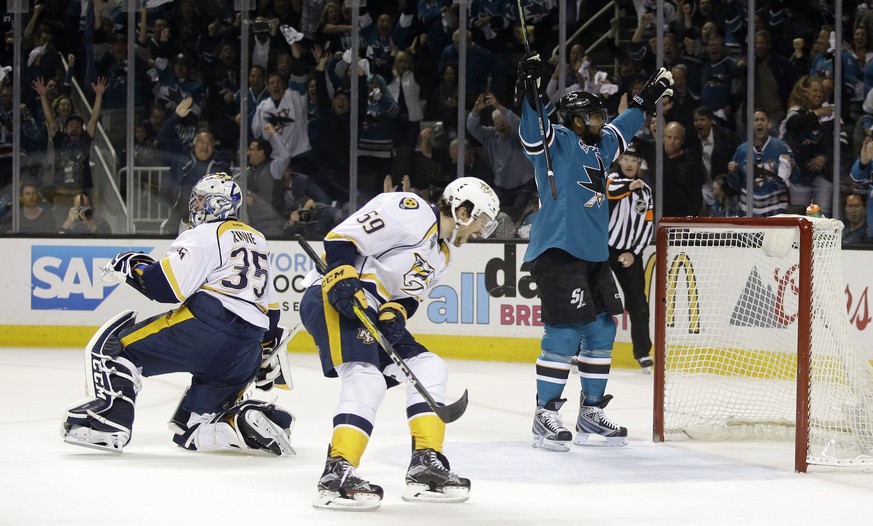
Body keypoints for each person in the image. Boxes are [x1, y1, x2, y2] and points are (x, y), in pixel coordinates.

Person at [298, 177, 500, 510]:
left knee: (429, 366)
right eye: (481, 222)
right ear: (463, 210)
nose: (480, 232)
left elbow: (408, 297)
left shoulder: (443, 254)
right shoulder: (413, 210)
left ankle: (425, 464)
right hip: (332, 298)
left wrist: (394, 315)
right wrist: (341, 279)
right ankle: (337, 473)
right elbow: (342, 238)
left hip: (373, 312)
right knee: (366, 376)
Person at [61, 173, 295, 456]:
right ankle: (240, 422)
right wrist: (262, 353)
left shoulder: (204, 234)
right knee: (191, 430)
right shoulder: (257, 239)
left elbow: (166, 288)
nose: (194, 205)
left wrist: (131, 267)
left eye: (199, 200)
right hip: (247, 348)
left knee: (115, 350)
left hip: (205, 329)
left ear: (217, 204)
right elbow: (270, 312)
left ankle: (111, 424)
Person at [516, 51, 673, 451]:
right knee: (564, 333)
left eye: (601, 117)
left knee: (601, 329)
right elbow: (533, 133)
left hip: (592, 255)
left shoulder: (601, 145)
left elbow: (623, 127)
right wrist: (528, 93)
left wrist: (644, 100)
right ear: (574, 121)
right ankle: (545, 414)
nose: (601, 123)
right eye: (594, 117)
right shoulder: (560, 142)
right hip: (557, 252)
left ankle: (590, 412)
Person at [606, 146, 654, 372]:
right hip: (604, 250)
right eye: (625, 158)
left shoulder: (645, 193)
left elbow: (647, 224)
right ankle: (579, 351)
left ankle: (643, 352)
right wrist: (629, 185)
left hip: (630, 254)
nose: (628, 163)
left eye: (633, 159)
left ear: (639, 163)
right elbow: (611, 191)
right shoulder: (612, 179)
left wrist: (634, 252)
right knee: (593, 299)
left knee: (639, 304)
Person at [466, 92, 536, 222]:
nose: (502, 125)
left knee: (517, 215)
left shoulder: (519, 136)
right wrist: (476, 110)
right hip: (502, 187)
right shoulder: (490, 136)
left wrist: (498, 106)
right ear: (494, 124)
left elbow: (519, 124)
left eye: (504, 122)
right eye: (498, 123)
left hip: (524, 184)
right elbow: (472, 127)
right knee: (494, 214)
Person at [726, 109, 796, 217]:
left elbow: (795, 176)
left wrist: (792, 166)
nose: (759, 123)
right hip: (748, 207)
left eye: (762, 120)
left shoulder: (781, 146)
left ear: (769, 124)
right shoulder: (742, 150)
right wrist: (731, 173)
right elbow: (735, 185)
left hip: (776, 206)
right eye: (756, 120)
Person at [661, 121, 706, 217]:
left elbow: (696, 193)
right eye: (669, 137)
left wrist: (692, 215)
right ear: (663, 138)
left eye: (676, 138)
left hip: (681, 215)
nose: (672, 141)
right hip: (657, 214)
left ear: (682, 140)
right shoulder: (655, 157)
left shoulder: (691, 161)